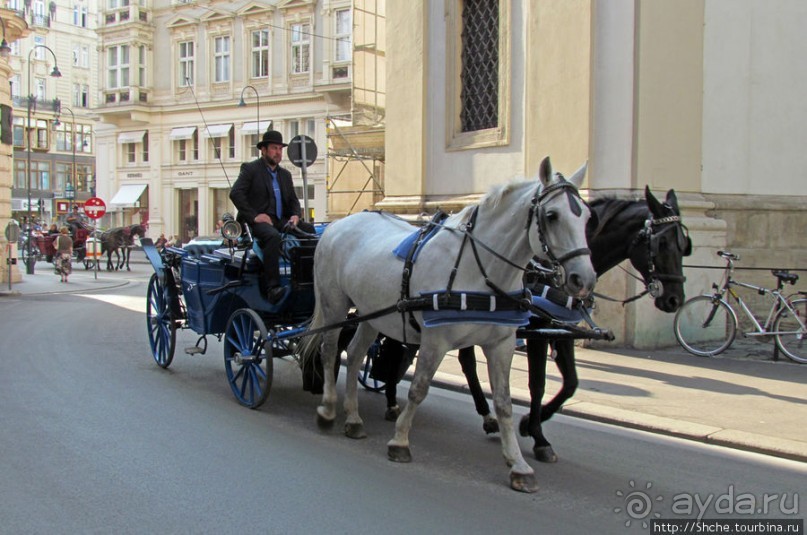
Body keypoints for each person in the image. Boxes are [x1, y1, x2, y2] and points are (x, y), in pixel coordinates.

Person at [230, 129, 314, 304]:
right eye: (274, 148)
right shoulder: (251, 169)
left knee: (309, 232)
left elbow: (293, 200)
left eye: (280, 149)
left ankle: (309, 278)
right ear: (264, 150)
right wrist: (254, 216)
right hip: (258, 222)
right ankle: (272, 287)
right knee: (272, 236)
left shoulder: (285, 175)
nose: (278, 152)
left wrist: (296, 216)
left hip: (279, 220)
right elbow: (236, 193)